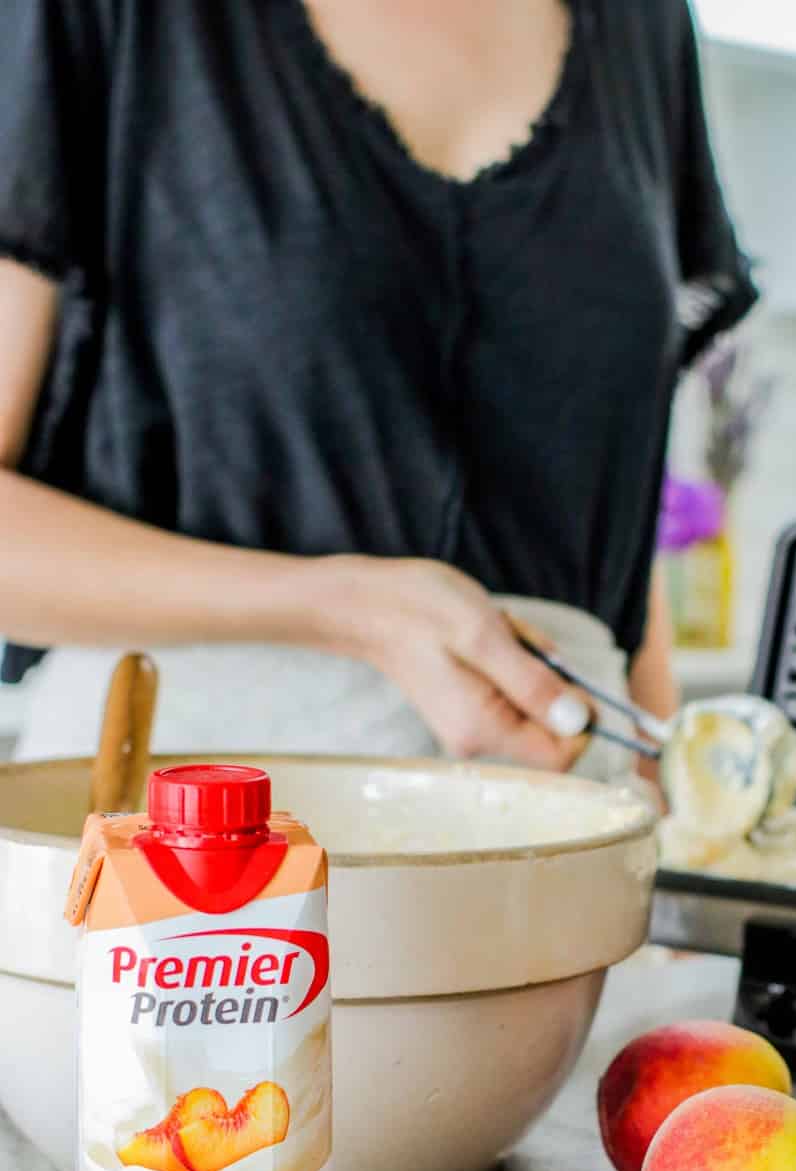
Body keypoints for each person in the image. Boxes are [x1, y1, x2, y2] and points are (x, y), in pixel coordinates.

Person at [0, 0, 756, 764]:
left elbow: (616, 522)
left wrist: (666, 805)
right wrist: (340, 608)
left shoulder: (646, 20)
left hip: (569, 815)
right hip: (184, 826)